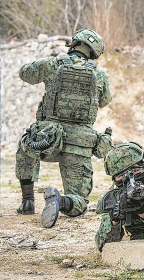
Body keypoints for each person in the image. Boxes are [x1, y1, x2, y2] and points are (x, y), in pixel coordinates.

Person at [15, 29, 113, 229]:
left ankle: (27, 201)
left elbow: (24, 73)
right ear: (94, 53)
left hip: (46, 140)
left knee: (25, 148)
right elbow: (104, 101)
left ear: (74, 44)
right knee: (79, 203)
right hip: (79, 145)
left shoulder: (52, 64)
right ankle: (60, 201)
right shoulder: (99, 75)